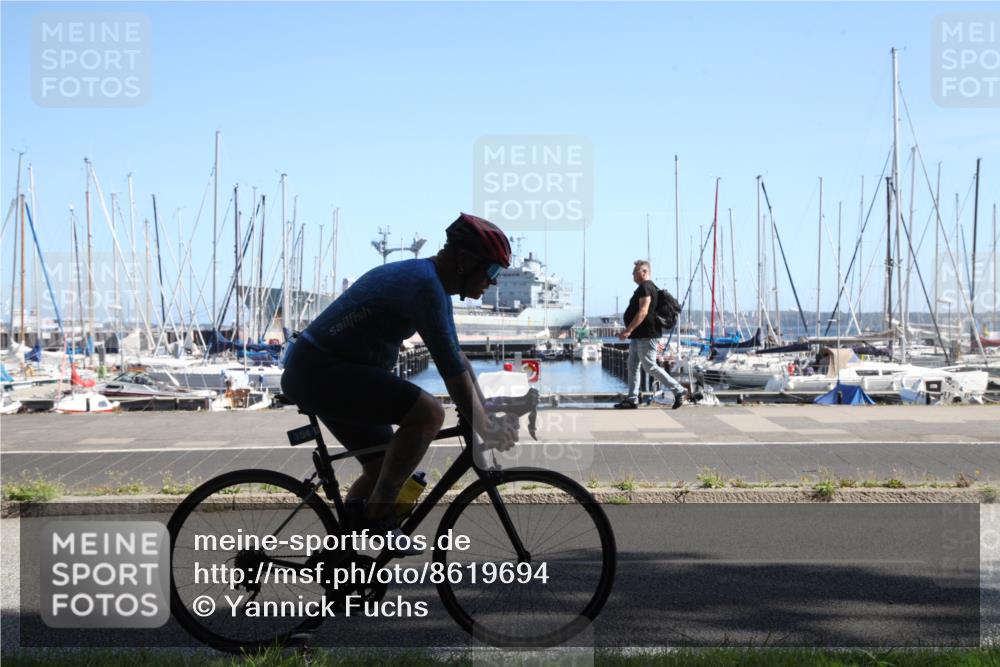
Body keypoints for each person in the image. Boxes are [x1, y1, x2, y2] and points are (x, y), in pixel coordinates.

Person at [280, 213, 518, 553]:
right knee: (429, 414)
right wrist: (482, 422)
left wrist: (485, 415)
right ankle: (379, 517)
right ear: (465, 261)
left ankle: (341, 563)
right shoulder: (423, 285)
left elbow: (459, 359)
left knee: (382, 470)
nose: (493, 282)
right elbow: (451, 372)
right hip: (321, 370)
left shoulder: (430, 283)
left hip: (327, 370)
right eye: (493, 270)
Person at [614, 260, 687, 410]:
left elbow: (643, 311)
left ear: (644, 272)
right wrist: (631, 331)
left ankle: (678, 390)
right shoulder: (645, 287)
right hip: (639, 335)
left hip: (647, 334)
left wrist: (627, 330)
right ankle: (632, 398)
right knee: (632, 365)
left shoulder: (646, 287)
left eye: (635, 272)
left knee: (649, 366)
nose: (633, 275)